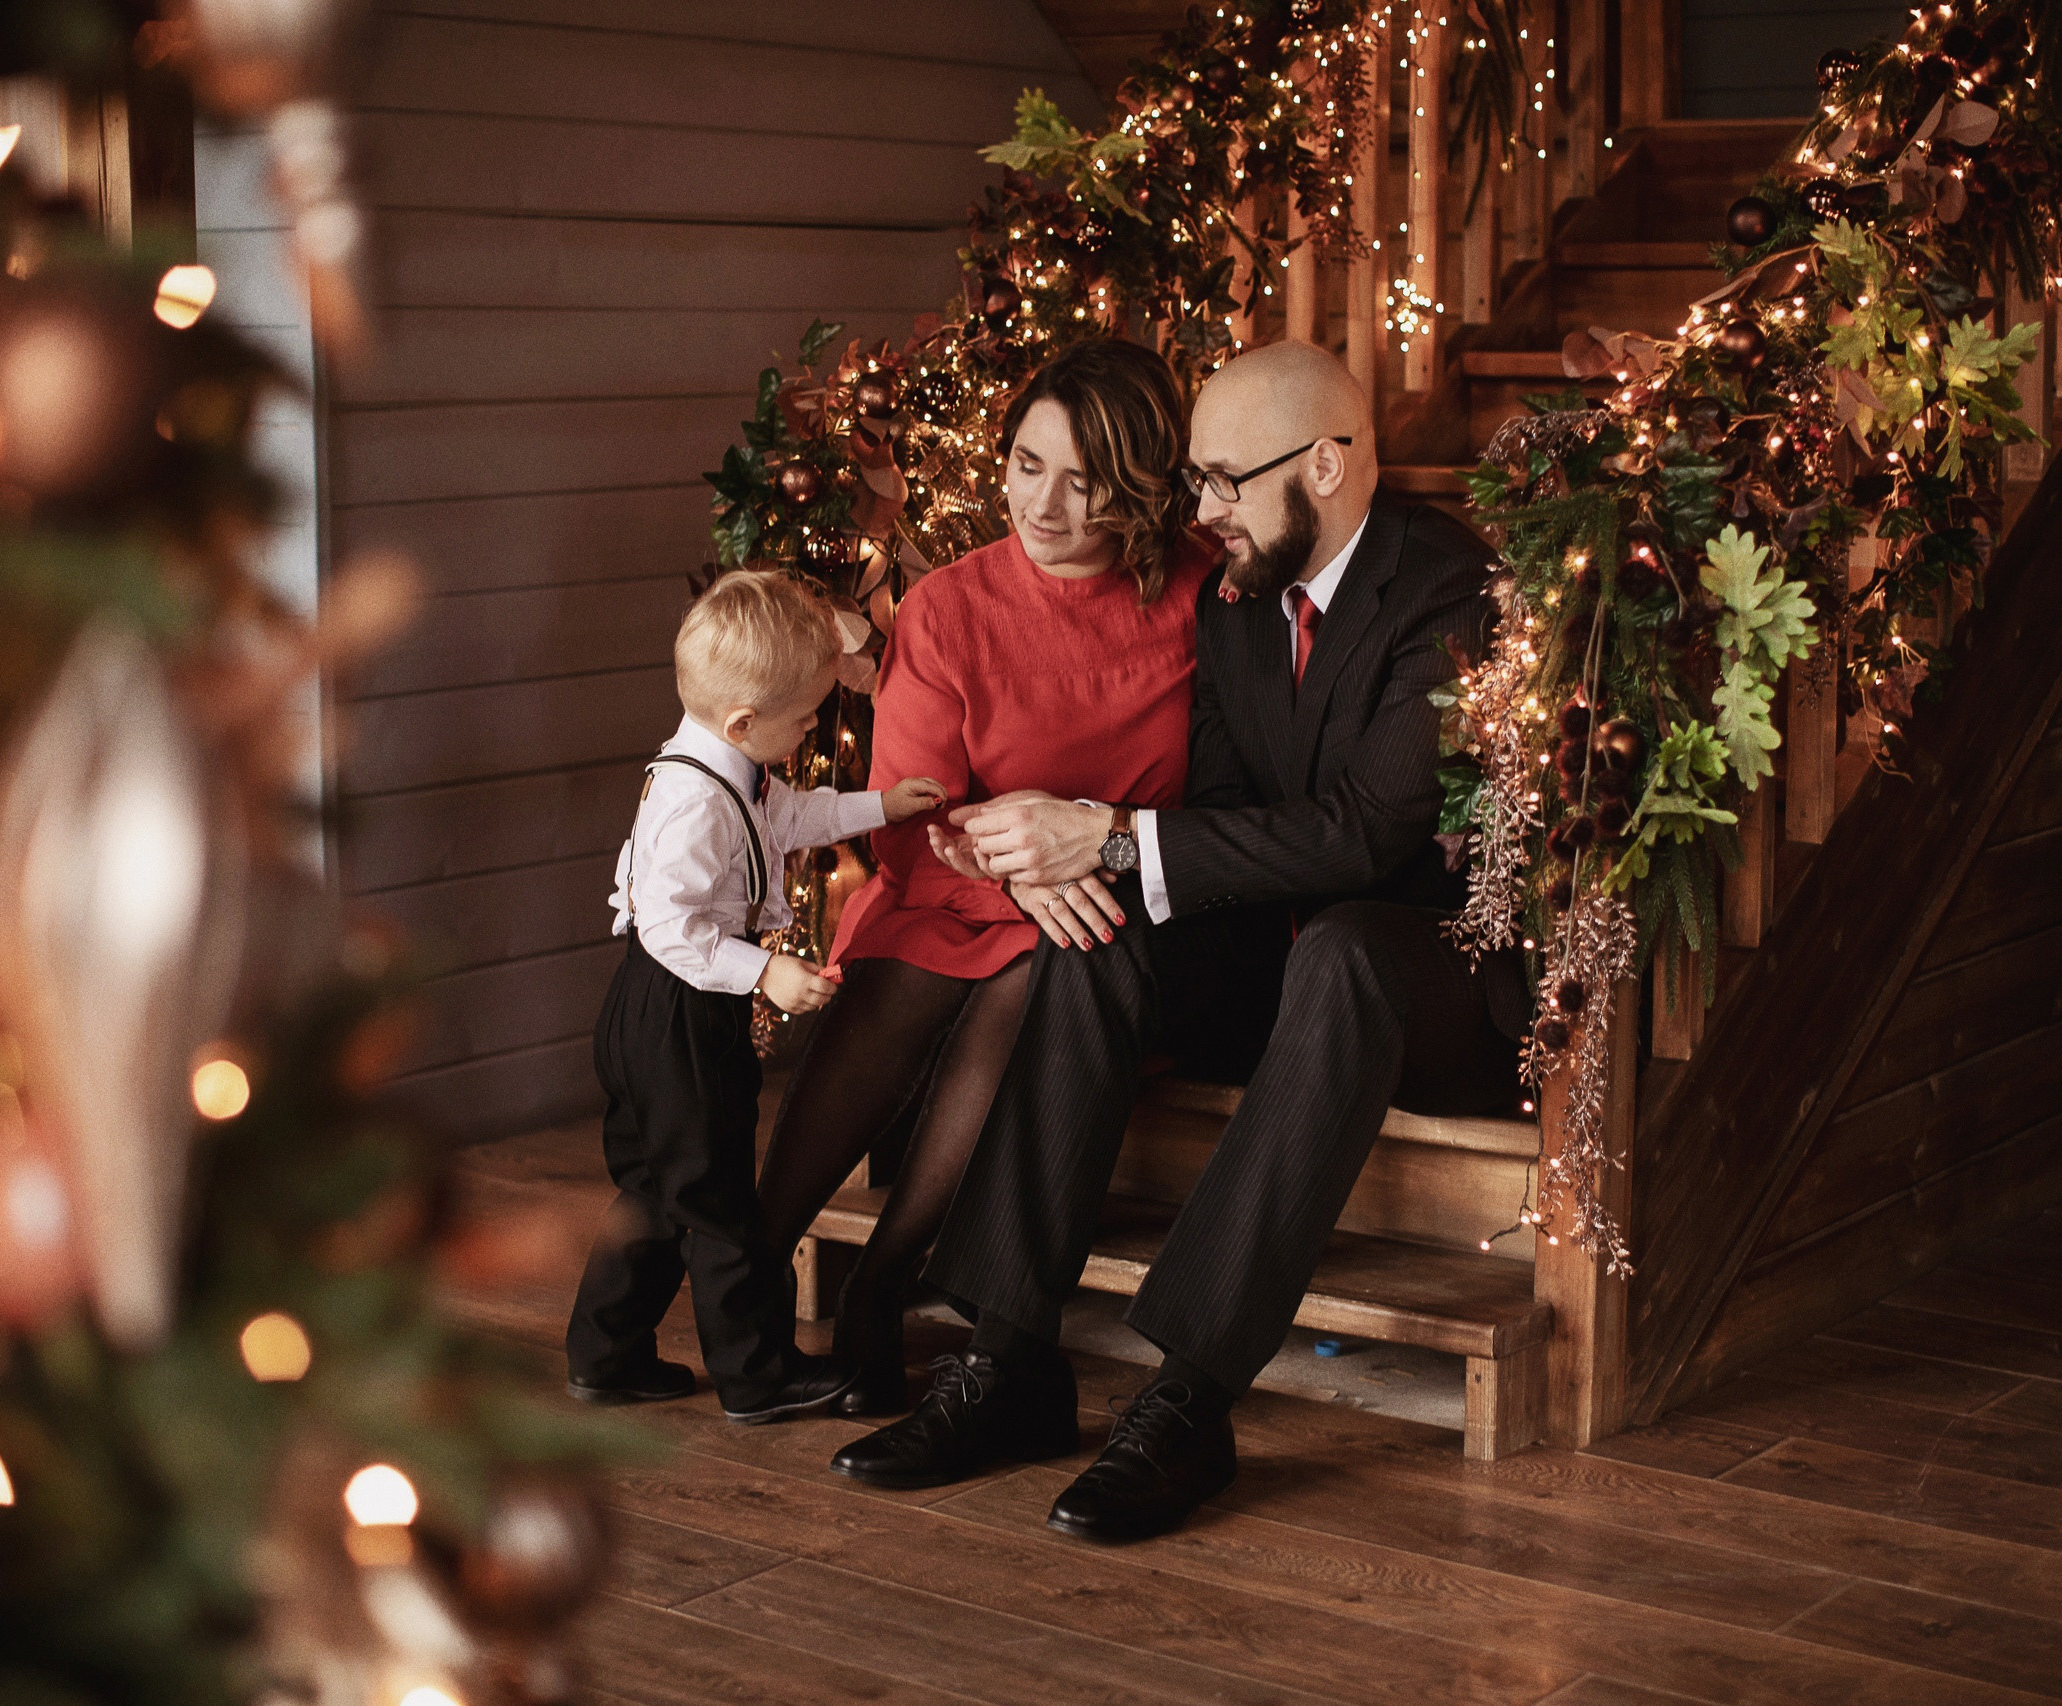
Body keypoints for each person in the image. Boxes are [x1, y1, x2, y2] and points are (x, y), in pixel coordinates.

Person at [828, 339, 1529, 1538]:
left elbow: (1366, 834)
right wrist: (1081, 863)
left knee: (1346, 945)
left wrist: (1106, 832)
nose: (1199, 515)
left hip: (1434, 983)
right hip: (1283, 961)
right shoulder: (1239, 588)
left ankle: (1190, 1399)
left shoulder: (1451, 593)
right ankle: (1009, 1362)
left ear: (1323, 464)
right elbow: (1213, 810)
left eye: (1219, 482)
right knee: (1094, 933)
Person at [753, 339, 1219, 1415]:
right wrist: (1012, 879)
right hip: (949, 878)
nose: (1043, 505)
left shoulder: (1200, 594)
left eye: (1084, 477)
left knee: (1035, 967)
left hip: (1100, 896)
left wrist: (1087, 854)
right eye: (1025, 463)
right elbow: (910, 818)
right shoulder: (951, 607)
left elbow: (1226, 787)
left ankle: (884, 1281)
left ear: (1140, 481)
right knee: (903, 967)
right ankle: (753, 1254)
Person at [565, 569, 945, 1420]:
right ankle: (756, 1374)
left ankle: (605, 1353)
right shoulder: (697, 804)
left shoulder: (729, 768)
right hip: (677, 1014)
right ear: (745, 722)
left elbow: (792, 819)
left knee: (659, 1192)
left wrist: (878, 805)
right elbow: (668, 926)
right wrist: (762, 970)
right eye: (805, 714)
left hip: (653, 1010)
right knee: (721, 1202)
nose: (815, 723)